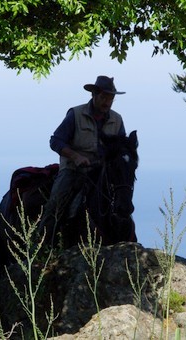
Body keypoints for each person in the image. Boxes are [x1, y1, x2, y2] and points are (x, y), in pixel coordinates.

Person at [40, 75, 127, 244]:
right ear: (93, 95)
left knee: (122, 200)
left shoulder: (117, 120)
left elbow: (121, 147)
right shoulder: (76, 114)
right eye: (103, 97)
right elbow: (56, 141)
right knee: (56, 204)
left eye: (111, 98)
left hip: (103, 172)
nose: (107, 102)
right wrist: (76, 156)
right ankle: (42, 244)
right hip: (74, 170)